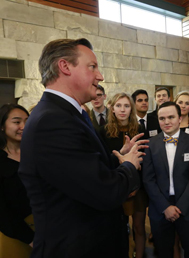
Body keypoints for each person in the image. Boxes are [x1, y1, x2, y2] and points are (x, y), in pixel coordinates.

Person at [18, 38, 146, 258]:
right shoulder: (52, 121)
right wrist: (130, 166)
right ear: (65, 66)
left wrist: (117, 159)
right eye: (92, 66)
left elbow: (81, 171)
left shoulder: (70, 114)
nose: (100, 76)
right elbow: (105, 191)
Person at [142, 102, 189, 258]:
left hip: (188, 206)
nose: (167, 122)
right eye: (162, 118)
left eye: (171, 117)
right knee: (163, 251)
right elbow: (148, 179)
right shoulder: (151, 144)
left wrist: (180, 207)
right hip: (160, 207)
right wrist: (165, 207)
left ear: (180, 118)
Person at [99, 92, 148, 258]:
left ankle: (139, 255)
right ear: (112, 109)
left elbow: (145, 159)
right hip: (116, 185)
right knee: (120, 228)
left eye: (126, 106)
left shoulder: (140, 129)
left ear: (131, 109)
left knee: (140, 227)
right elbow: (104, 162)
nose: (122, 110)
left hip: (138, 186)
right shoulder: (104, 131)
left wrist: (136, 185)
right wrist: (121, 153)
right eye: (119, 106)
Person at [0, 104, 33, 258]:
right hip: (13, 235)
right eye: (17, 122)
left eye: (27, 121)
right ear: (2, 126)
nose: (23, 126)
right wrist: (30, 238)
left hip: (47, 228)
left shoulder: (36, 152)